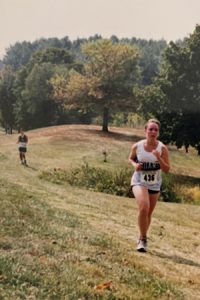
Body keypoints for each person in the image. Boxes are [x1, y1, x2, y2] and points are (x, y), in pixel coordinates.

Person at [128, 119, 170, 252]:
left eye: (155, 130)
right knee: (144, 207)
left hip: (155, 183)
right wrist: (135, 165)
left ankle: (142, 235)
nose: (153, 132)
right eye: (150, 129)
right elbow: (131, 158)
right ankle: (143, 240)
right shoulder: (137, 146)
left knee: (149, 213)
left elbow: (167, 169)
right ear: (145, 131)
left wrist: (159, 158)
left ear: (158, 133)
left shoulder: (162, 148)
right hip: (139, 181)